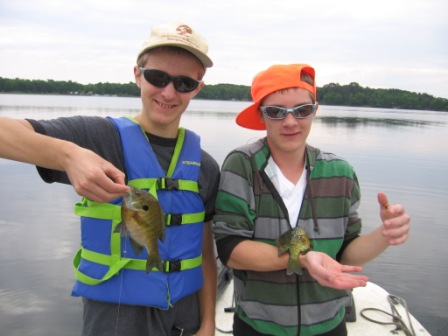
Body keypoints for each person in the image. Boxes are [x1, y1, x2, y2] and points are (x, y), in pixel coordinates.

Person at [0, 22, 219, 336]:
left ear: (197, 88)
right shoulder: (97, 137)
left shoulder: (205, 166)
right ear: (137, 74)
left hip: (186, 321)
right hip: (116, 322)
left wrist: (209, 323)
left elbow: (204, 251)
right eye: (158, 77)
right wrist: (67, 155)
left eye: (184, 83)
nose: (168, 92)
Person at [213, 63, 411, 336]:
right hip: (258, 325)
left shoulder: (340, 173)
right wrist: (302, 258)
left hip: (329, 324)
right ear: (262, 115)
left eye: (302, 110)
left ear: (315, 111)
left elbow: (346, 250)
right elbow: (230, 249)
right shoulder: (242, 165)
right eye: (276, 112)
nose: (290, 122)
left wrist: (385, 235)